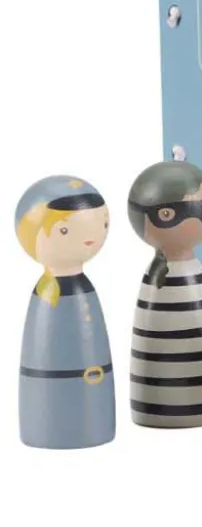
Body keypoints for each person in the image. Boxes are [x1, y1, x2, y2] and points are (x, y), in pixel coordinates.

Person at [14, 176, 117, 449]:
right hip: (49, 410)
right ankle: (51, 431)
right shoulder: (46, 294)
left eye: (102, 224)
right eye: (64, 230)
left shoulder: (82, 289)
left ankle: (91, 428)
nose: (91, 238)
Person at [127, 160, 202, 428]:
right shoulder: (158, 276)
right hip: (154, 402)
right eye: (169, 214)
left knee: (201, 350)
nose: (193, 220)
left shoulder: (195, 272)